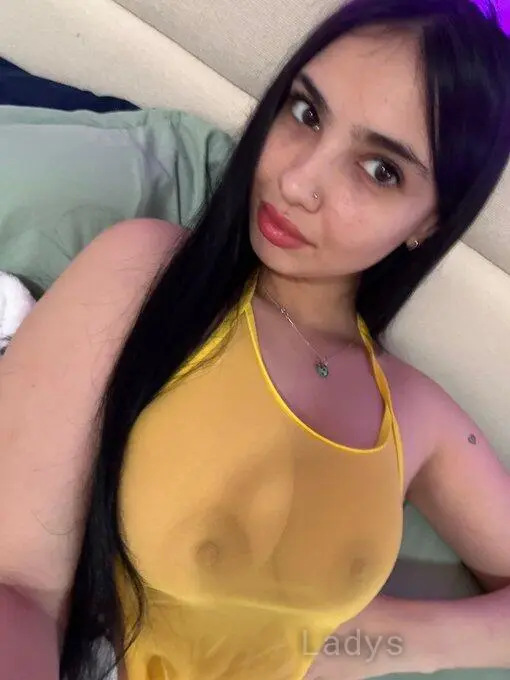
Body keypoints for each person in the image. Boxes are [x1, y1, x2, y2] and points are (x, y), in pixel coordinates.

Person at [1, 0, 509, 678]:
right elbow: (18, 590)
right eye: (305, 113)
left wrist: (369, 643)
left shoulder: (418, 417)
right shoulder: (145, 275)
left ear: (431, 221)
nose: (297, 182)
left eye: (380, 170)